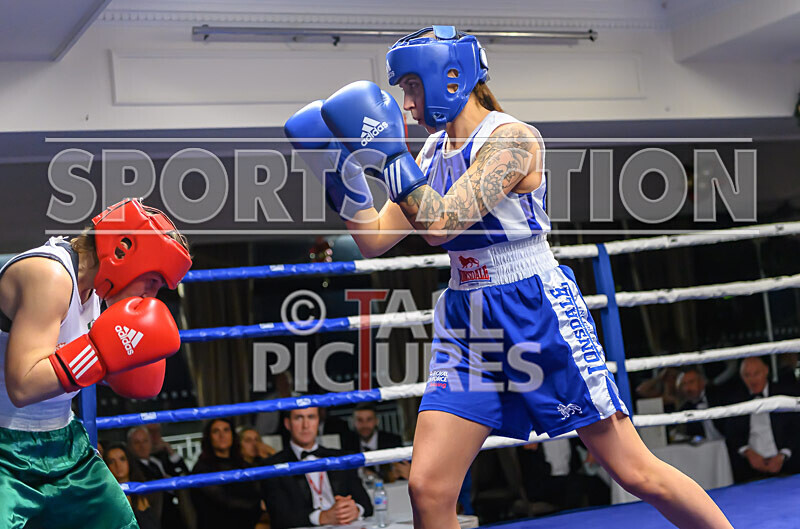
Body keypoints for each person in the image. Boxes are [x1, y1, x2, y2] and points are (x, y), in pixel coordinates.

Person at [284, 26, 733, 529]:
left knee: (635, 472)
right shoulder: (430, 154)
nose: (405, 103)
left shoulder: (513, 140)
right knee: (428, 488)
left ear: (448, 78)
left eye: (411, 86)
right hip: (465, 314)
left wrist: (390, 154)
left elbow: (440, 223)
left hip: (531, 304)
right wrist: (332, 166)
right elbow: (373, 239)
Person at [0, 198, 192, 529]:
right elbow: (23, 384)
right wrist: (100, 354)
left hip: (64, 442)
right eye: (152, 282)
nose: (151, 297)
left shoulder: (96, 297)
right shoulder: (49, 274)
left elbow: (64, 367)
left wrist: (115, 365)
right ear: (123, 251)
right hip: (5, 450)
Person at [261, 407, 372, 529]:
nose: (306, 425)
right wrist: (321, 517)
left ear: (318, 421)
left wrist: (355, 509)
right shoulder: (273, 465)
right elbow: (279, 517)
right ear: (288, 424)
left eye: (311, 417)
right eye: (299, 418)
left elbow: (366, 505)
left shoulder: (341, 458)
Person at [725, 357, 800, 482]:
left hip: (788, 465)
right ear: (741, 376)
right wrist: (747, 452)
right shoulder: (736, 398)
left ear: (766, 371)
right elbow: (731, 432)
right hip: (749, 468)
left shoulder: (784, 394)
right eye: (747, 375)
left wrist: (783, 455)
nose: (752, 380)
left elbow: (797, 428)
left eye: (756, 373)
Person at [190, 418, 264, 529]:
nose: (222, 435)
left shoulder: (242, 463)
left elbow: (259, 489)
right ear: (209, 437)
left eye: (226, 430)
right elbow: (225, 500)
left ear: (233, 435)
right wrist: (259, 505)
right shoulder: (202, 468)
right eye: (216, 431)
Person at [342, 402, 405, 482]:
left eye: (369, 419)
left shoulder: (392, 441)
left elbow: (400, 473)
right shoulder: (347, 443)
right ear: (354, 422)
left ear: (376, 421)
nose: (364, 425)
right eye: (360, 420)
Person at [104, 443, 162, 529]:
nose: (118, 465)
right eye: (112, 461)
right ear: (107, 466)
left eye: (122, 459)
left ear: (129, 461)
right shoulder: (105, 497)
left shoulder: (147, 491)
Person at [670, 366, 725, 442]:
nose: (687, 388)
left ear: (702, 382)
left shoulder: (718, 396)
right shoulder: (685, 409)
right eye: (684, 384)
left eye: (691, 382)